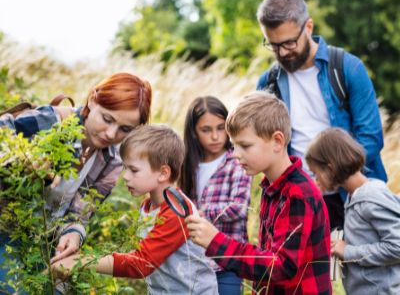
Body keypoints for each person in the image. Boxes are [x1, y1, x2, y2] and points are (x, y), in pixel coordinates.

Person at [0, 73, 152, 292]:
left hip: (44, 240)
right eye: (107, 119)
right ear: (92, 100)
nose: (111, 134)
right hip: (7, 227)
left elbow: (81, 211)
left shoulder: (113, 159)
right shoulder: (54, 122)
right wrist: (22, 160)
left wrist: (73, 232)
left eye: (125, 129)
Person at [256, 0, 387, 231]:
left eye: (288, 43)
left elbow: (371, 138)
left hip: (352, 196)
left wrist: (328, 178)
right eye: (273, 45)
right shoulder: (268, 83)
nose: (282, 53)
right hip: (296, 199)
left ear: (308, 26)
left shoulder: (348, 68)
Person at [186, 92, 331, 294]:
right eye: (234, 144)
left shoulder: (297, 194)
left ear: (277, 142)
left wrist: (216, 242)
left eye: (245, 145)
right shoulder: (272, 188)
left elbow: (280, 266)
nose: (236, 154)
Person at [51, 124, 218, 294]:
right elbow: (143, 254)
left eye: (134, 170)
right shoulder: (148, 206)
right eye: (125, 168)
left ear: (163, 173)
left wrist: (82, 261)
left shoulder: (176, 211)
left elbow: (141, 264)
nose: (126, 177)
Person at [305, 128, 400, 294]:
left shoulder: (371, 199)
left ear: (330, 168)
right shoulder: (353, 197)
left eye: (316, 174)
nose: (316, 180)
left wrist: (347, 251)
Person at [178, 96, 251, 294]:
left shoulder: (237, 162)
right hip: (194, 263)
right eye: (206, 130)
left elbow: (239, 208)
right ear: (193, 132)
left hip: (227, 263)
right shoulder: (187, 166)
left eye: (221, 128)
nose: (215, 136)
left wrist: (199, 214)